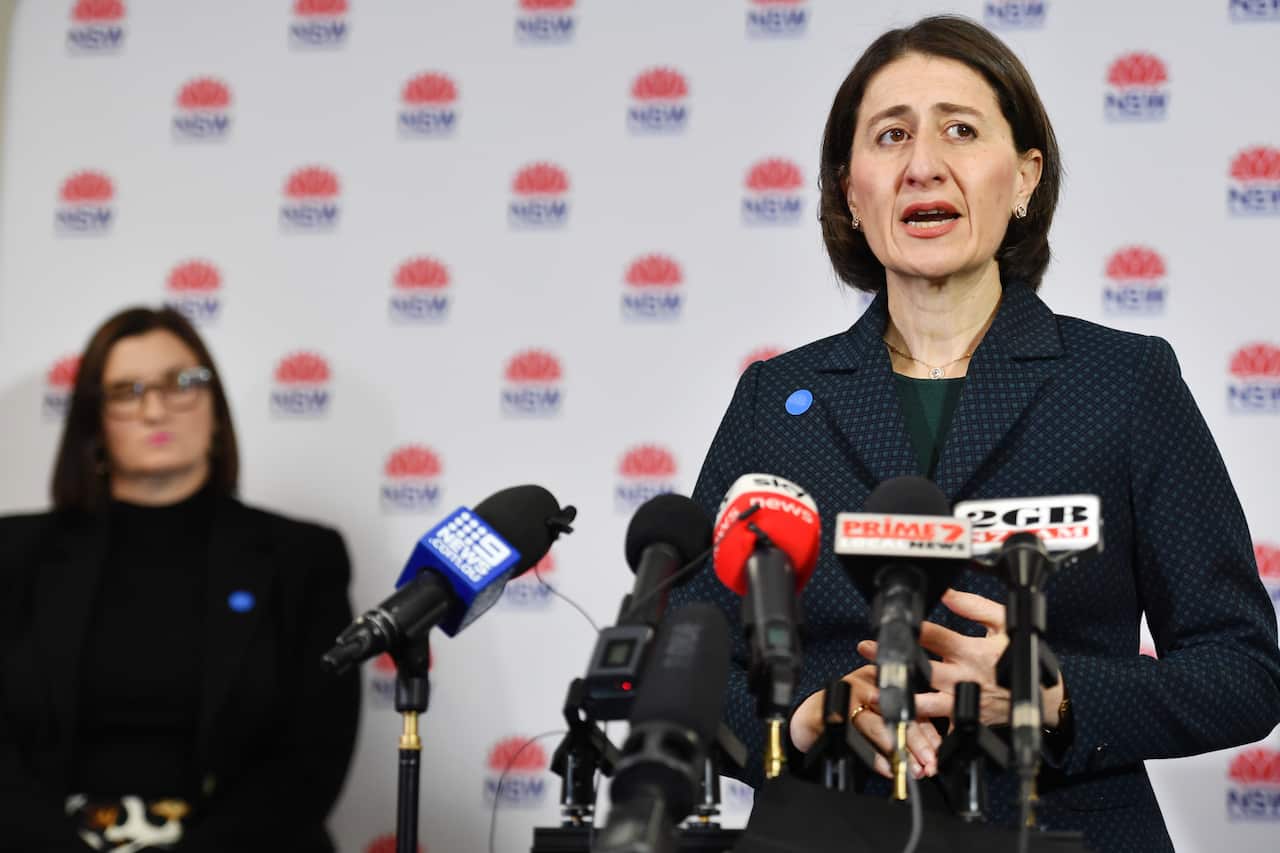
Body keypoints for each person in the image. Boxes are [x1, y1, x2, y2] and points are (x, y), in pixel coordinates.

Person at [674, 15, 1280, 853]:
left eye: (960, 129)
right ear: (851, 190)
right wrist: (805, 719)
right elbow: (685, 662)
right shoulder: (776, 402)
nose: (924, 163)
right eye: (891, 135)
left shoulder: (1124, 382)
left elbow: (1242, 668)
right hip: (829, 829)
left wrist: (1051, 695)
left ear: (1025, 176)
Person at [0, 307, 360, 852]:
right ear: (94, 421)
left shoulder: (302, 559)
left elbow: (310, 760)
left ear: (215, 408)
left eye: (181, 383)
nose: (155, 409)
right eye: (126, 391)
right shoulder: (13, 555)